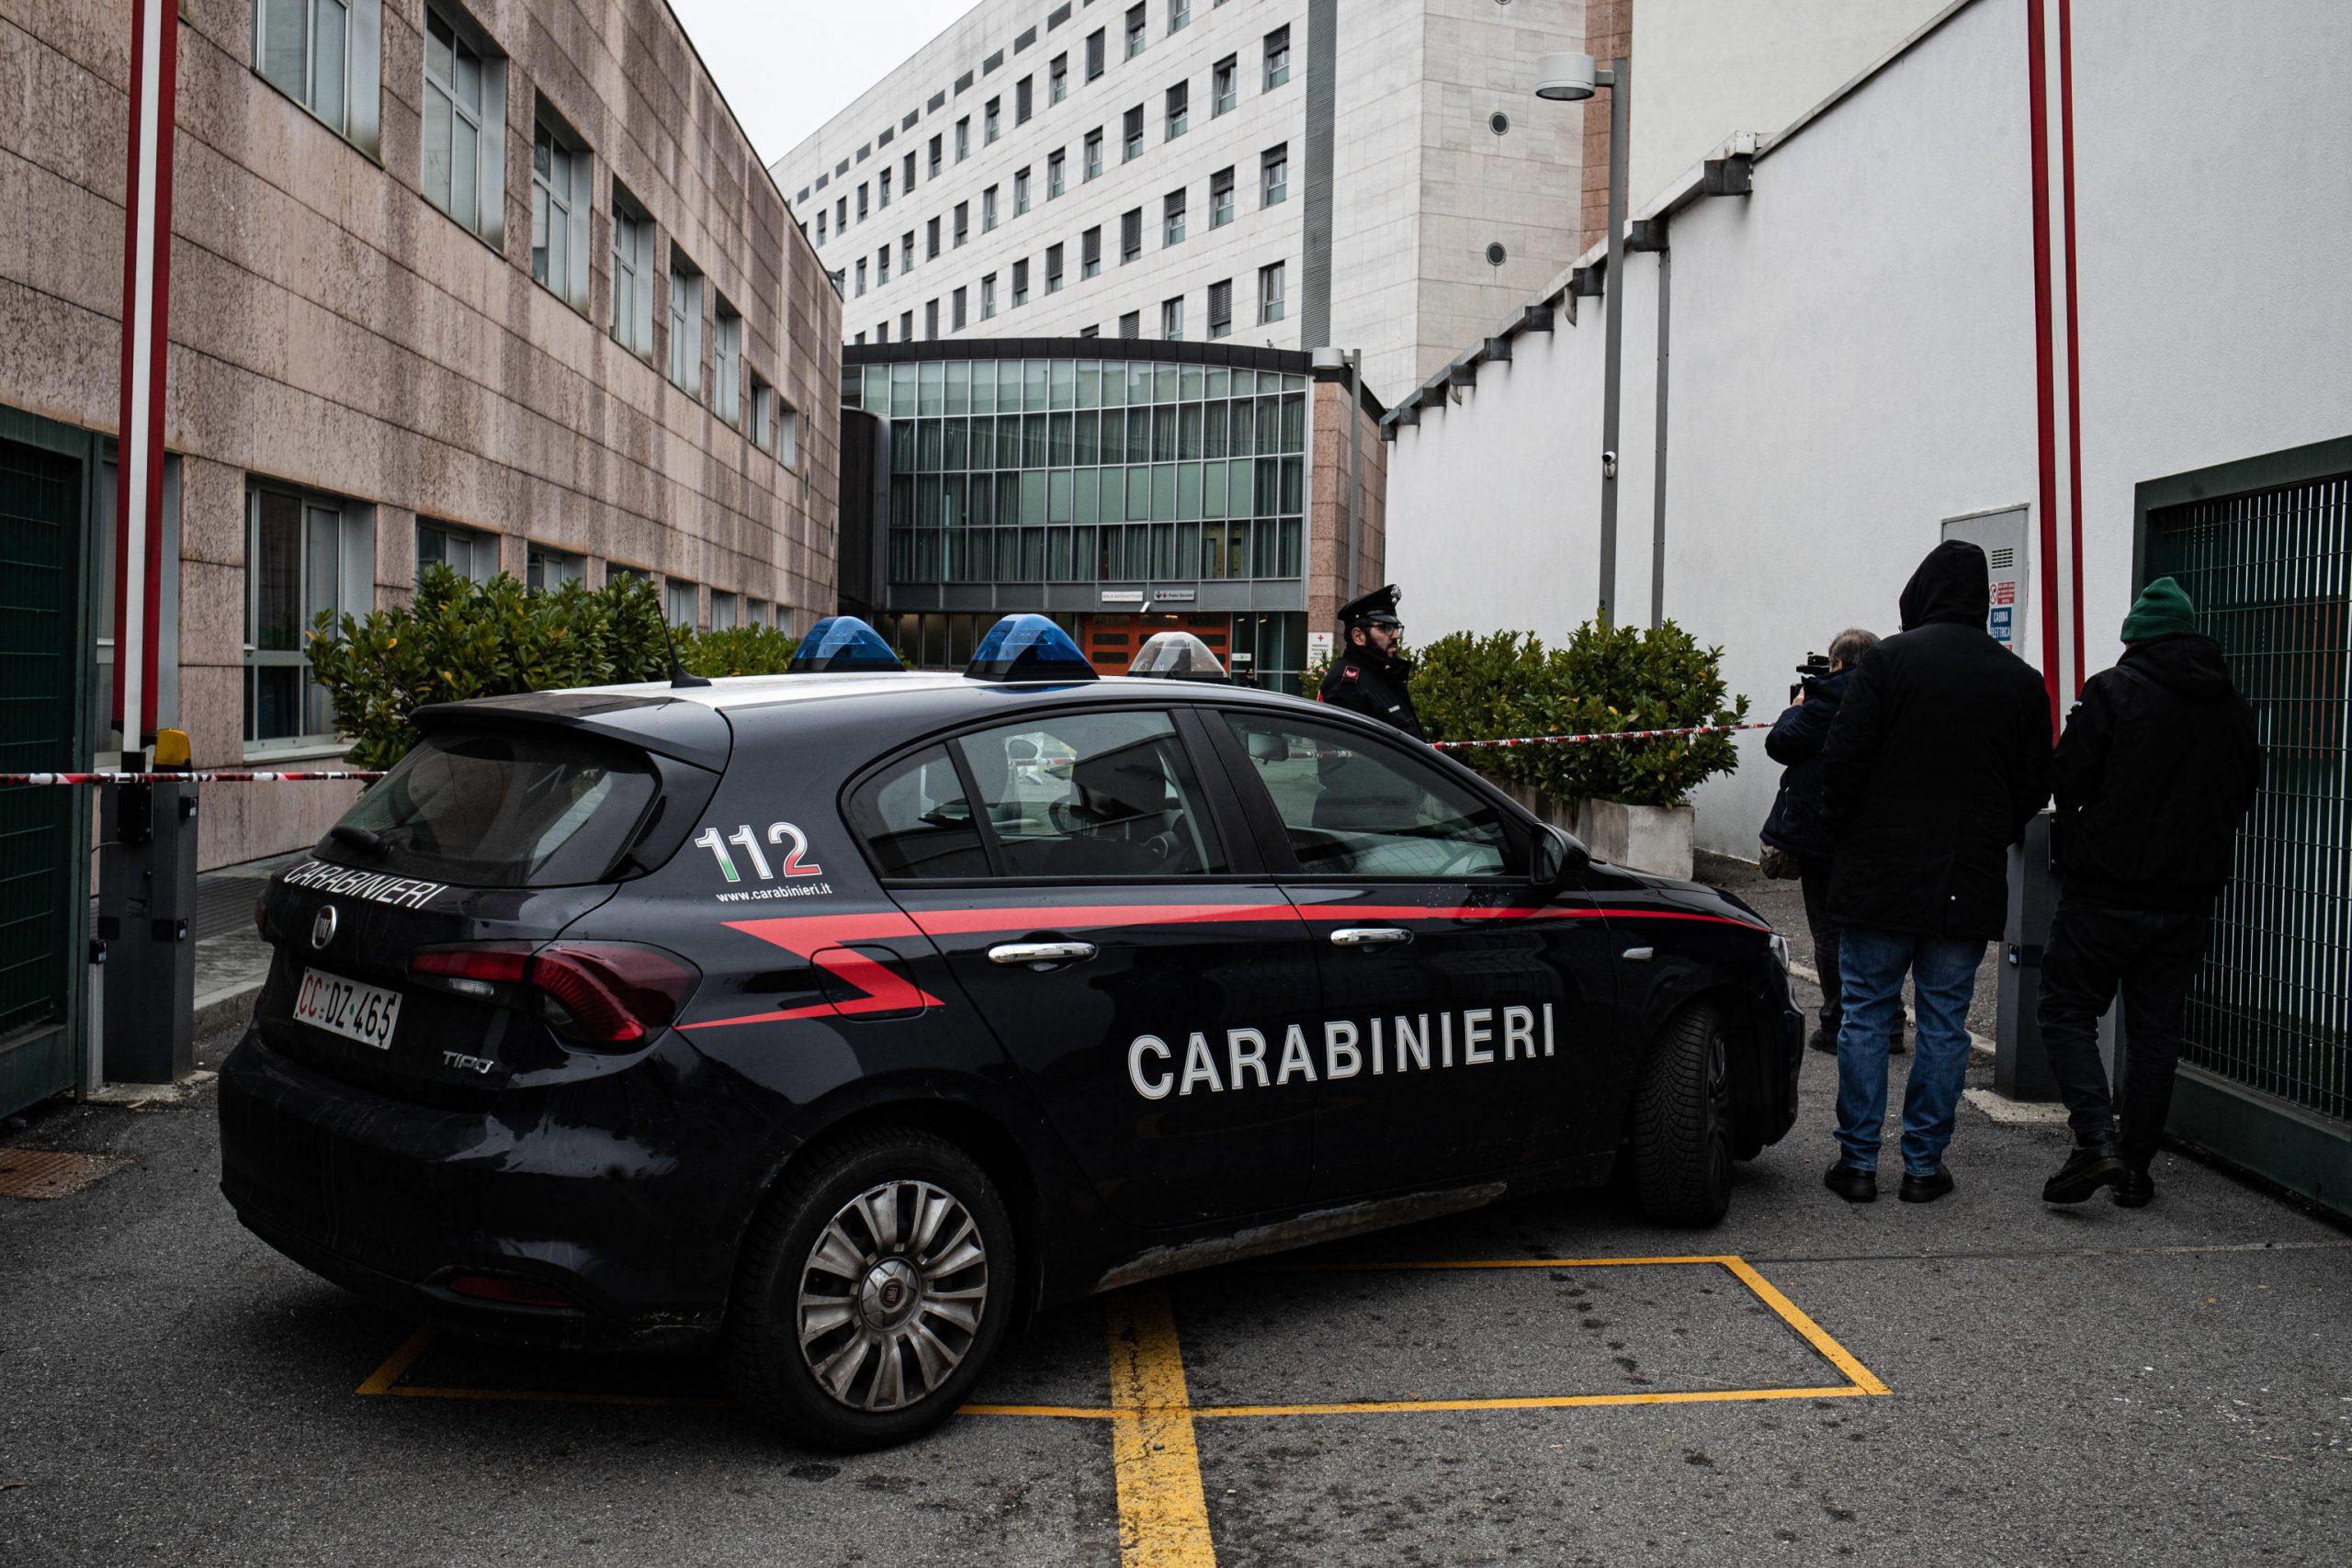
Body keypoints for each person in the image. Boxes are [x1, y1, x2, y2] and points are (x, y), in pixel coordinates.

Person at [1819, 540, 2052, 1205]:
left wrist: (1851, 836)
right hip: (1967, 878)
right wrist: (1989, 832)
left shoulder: (1888, 662)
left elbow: (1843, 762)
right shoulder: (2019, 680)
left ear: (1921, 591)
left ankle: (1858, 1162)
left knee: (1865, 1014)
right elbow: (2034, 783)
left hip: (1880, 876)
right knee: (1945, 1021)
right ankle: (1923, 1164)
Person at [2036, 577, 2260, 1209]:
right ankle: (2134, 1168)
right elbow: (2242, 794)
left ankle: (2093, 1140)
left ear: (2136, 637)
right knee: (2157, 1030)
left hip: (2104, 891)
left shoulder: (2113, 690)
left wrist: (2082, 835)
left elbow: (2068, 775)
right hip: (2187, 899)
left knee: (2067, 1009)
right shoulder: (2233, 706)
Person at [1759, 629, 1907, 1058]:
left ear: (1839, 664)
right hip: (1878, 835)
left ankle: (1836, 1020)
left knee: (1829, 931)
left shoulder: (1828, 699)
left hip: (1823, 834)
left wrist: (1796, 708)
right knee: (1877, 930)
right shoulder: (1892, 695)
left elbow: (1780, 743)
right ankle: (1892, 1024)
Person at [1318, 583, 1425, 739]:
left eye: (1396, 627)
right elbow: (1348, 757)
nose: (1396, 635)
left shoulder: (1380, 674)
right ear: (1358, 636)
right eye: (1385, 627)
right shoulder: (1347, 684)